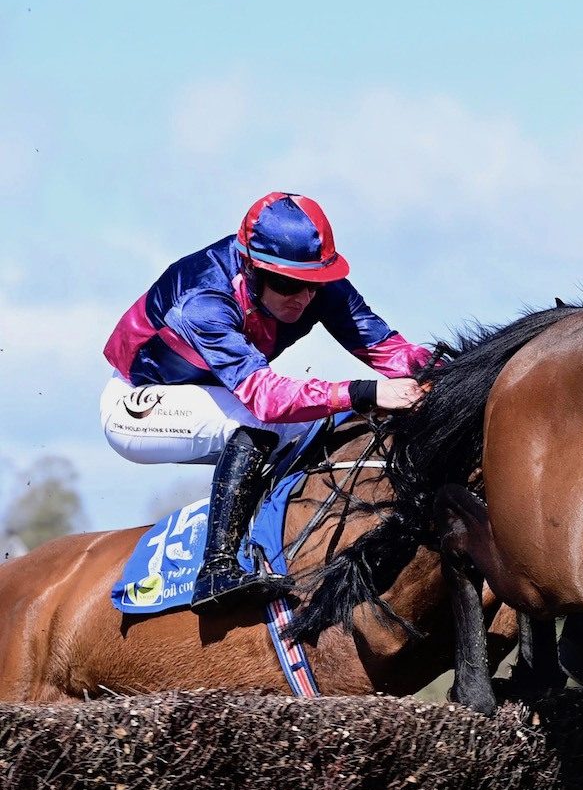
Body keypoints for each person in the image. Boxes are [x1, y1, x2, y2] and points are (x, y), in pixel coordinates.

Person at [101, 192, 429, 612]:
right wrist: (365, 391)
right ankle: (216, 570)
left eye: (314, 284)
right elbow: (266, 399)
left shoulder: (315, 287)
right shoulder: (204, 299)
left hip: (218, 395)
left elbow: (389, 350)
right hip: (137, 405)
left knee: (325, 424)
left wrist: (453, 375)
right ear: (250, 268)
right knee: (268, 422)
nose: (303, 297)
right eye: (287, 284)